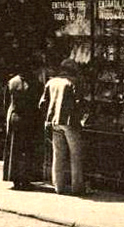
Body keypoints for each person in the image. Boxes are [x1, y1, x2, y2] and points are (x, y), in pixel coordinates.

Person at [40, 58, 85, 195]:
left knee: (58, 154)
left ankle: (58, 186)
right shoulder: (72, 82)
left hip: (54, 122)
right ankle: (77, 187)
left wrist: (49, 115)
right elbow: (79, 103)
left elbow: (42, 103)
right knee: (75, 155)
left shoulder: (51, 82)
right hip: (70, 122)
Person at [3, 65, 43, 190]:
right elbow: (38, 103)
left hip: (15, 116)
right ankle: (26, 179)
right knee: (27, 150)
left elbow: (6, 102)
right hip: (29, 118)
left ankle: (14, 178)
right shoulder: (35, 83)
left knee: (14, 149)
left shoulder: (12, 82)